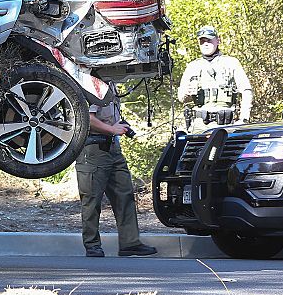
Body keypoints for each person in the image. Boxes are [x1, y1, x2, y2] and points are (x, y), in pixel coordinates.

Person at [74, 86, 158, 258]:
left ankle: (130, 243)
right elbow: (87, 118)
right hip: (93, 149)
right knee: (91, 199)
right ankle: (92, 245)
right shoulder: (92, 85)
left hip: (113, 148)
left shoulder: (111, 84)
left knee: (124, 194)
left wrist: (118, 127)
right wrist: (112, 129)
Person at [177, 25, 252, 131]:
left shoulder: (231, 63)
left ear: (218, 41)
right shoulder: (192, 66)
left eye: (209, 40)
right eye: (202, 41)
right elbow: (181, 98)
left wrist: (244, 119)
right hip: (199, 124)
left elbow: (246, 91)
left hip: (226, 124)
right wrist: (187, 93)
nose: (206, 44)